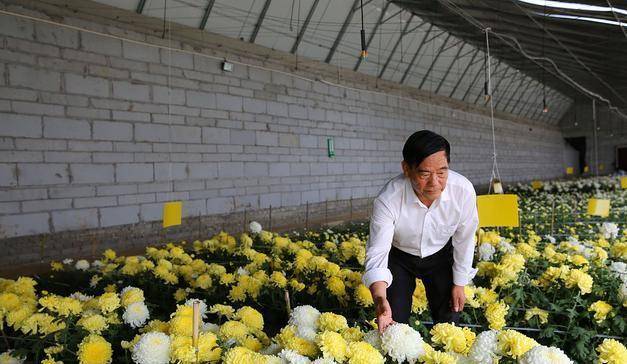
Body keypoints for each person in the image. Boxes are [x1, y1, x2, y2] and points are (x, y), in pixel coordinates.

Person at [362, 130, 478, 333]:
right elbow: (378, 251)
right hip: (400, 257)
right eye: (425, 174)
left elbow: (464, 239)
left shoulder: (463, 191)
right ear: (406, 168)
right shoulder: (388, 199)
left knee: (450, 318)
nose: (435, 182)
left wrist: (460, 283)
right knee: (393, 322)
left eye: (442, 173)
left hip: (441, 255)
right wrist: (380, 299)